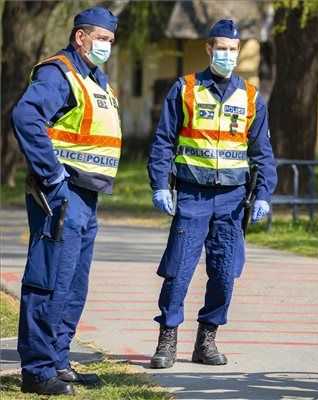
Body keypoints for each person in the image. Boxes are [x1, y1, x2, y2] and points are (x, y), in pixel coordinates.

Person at [147, 19, 277, 369]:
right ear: (208, 49)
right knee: (179, 270)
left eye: (233, 49)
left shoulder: (251, 97)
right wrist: (160, 184)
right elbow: (163, 142)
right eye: (221, 48)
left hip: (233, 199)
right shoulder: (185, 89)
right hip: (192, 194)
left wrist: (263, 192)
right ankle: (167, 340)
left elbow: (262, 151)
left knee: (224, 272)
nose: (227, 54)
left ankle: (207, 339)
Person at [11, 6, 121, 395]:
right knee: (48, 280)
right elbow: (26, 117)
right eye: (102, 38)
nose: (108, 45)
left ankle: (58, 359)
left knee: (72, 284)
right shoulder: (59, 72)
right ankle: (38, 371)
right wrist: (52, 175)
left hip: (87, 196)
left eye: (111, 39)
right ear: (81, 37)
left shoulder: (96, 79)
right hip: (60, 193)